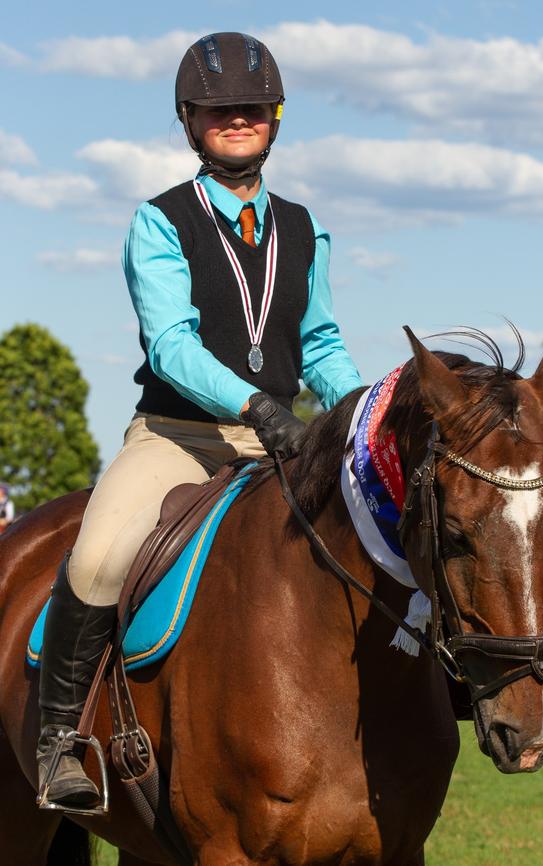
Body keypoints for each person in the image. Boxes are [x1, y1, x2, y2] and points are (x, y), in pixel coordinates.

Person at [36, 32, 362, 809]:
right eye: (220, 111)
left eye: (252, 108)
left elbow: (318, 340)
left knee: (391, 534)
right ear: (190, 121)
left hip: (284, 442)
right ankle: (56, 744)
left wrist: (358, 413)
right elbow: (172, 345)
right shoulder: (159, 222)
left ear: (275, 119)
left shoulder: (303, 226)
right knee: (96, 560)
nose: (237, 119)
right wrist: (256, 405)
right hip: (179, 439)